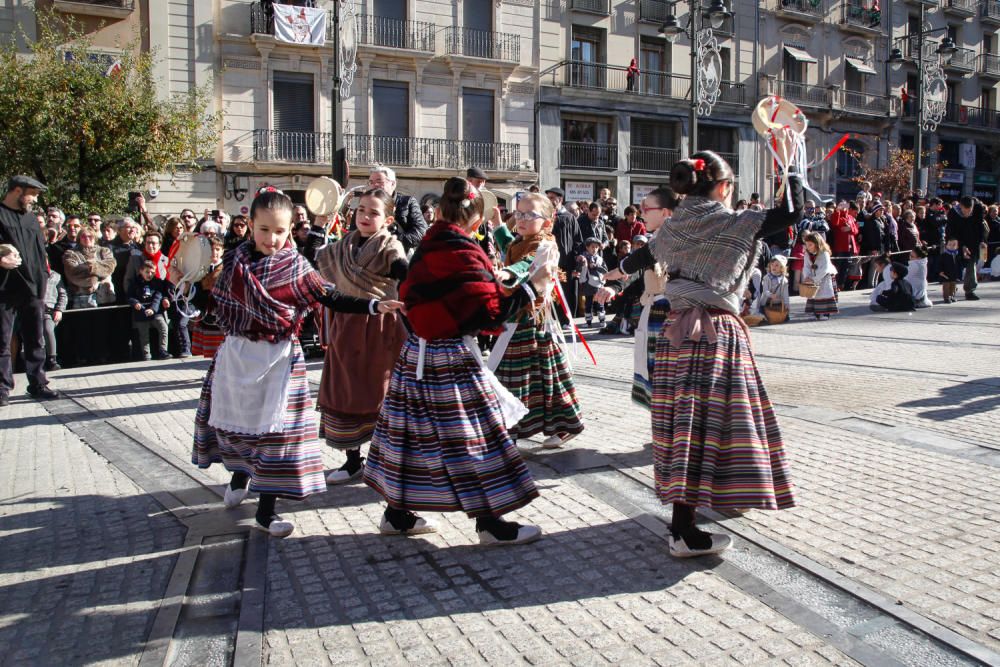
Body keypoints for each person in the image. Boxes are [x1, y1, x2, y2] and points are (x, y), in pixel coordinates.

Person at [193, 187, 402, 538]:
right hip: (238, 358)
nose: (271, 238)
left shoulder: (295, 266)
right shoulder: (232, 262)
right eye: (264, 229)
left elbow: (329, 295)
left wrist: (371, 306)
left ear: (290, 228)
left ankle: (266, 511)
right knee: (239, 427)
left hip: (278, 359)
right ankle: (241, 475)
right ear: (251, 225)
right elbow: (214, 307)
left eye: (280, 231)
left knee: (278, 435)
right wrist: (192, 286)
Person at [363, 177, 544, 545]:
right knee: (475, 437)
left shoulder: (430, 244)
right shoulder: (462, 250)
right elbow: (489, 311)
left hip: (416, 352)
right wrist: (532, 287)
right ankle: (490, 524)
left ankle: (396, 514)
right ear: (475, 220)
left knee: (410, 437)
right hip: (447, 355)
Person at [651, 149, 800, 557]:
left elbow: (638, 258)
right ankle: (683, 531)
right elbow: (793, 211)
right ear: (723, 187)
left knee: (683, 427)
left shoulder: (669, 229)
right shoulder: (737, 223)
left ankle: (701, 510)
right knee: (716, 424)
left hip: (673, 334)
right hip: (715, 333)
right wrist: (791, 161)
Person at [315, 188, 408, 485]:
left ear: (388, 219)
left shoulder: (390, 245)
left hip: (382, 329)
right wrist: (318, 227)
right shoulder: (343, 246)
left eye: (374, 212)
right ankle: (353, 460)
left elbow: (402, 269)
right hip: (347, 325)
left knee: (382, 394)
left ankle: (390, 459)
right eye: (361, 210)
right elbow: (314, 260)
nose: (366, 216)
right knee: (346, 391)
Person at [489, 193, 585, 449]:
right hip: (518, 318)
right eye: (518, 213)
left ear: (547, 221)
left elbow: (526, 264)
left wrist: (507, 272)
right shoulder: (522, 241)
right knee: (539, 376)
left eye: (530, 215)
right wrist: (499, 224)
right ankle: (515, 427)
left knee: (534, 377)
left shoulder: (546, 245)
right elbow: (510, 246)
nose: (521, 219)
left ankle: (517, 429)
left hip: (531, 320)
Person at [596, 186, 679, 408]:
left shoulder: (676, 240)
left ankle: (672, 427)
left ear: (665, 212)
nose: (641, 212)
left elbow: (635, 267)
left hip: (674, 313)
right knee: (657, 371)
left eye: (646, 207)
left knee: (669, 373)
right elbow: (636, 270)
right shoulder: (657, 239)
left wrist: (618, 279)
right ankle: (665, 425)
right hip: (655, 309)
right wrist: (615, 285)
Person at [544, 187, 583, 323]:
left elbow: (578, 241)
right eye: (548, 197)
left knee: (565, 293)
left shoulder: (569, 218)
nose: (549, 200)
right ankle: (549, 320)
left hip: (565, 264)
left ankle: (564, 320)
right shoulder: (545, 217)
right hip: (548, 263)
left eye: (552, 197)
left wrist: (576, 262)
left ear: (560, 199)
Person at [367, 166, 428, 253]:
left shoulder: (407, 202)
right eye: (371, 182)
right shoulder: (365, 204)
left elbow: (421, 232)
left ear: (393, 184)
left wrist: (390, 241)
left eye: (379, 181)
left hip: (399, 257)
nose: (374, 185)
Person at [62, 226, 116, 309]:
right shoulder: (70, 253)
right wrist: (94, 278)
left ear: (95, 238)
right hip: (80, 298)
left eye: (90, 236)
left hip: (105, 296)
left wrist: (92, 267)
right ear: (79, 239)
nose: (87, 238)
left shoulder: (104, 251)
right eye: (83, 236)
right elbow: (72, 272)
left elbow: (109, 267)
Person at [190, 237, 226, 358]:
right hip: (204, 310)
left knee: (223, 348)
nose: (214, 252)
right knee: (210, 351)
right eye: (211, 249)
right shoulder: (201, 268)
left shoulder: (226, 268)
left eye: (217, 249)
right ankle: (211, 372)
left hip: (221, 312)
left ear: (222, 251)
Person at [945, 195, 986, 300]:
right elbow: (951, 232)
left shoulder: (978, 209)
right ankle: (950, 291)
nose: (967, 214)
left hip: (973, 241)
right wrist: (961, 246)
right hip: (956, 240)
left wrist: (982, 241)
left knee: (971, 266)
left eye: (969, 211)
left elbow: (980, 227)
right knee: (952, 266)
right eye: (965, 211)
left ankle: (969, 290)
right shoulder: (953, 213)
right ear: (960, 206)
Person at [128, 260, 169, 360]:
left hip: (155, 312)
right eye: (147, 272)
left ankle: (163, 351)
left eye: (152, 272)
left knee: (163, 328)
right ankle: (146, 355)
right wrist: (136, 304)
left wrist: (153, 309)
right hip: (141, 312)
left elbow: (158, 296)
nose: (150, 274)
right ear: (141, 271)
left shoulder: (157, 282)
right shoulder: (134, 282)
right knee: (144, 335)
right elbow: (130, 296)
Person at [801, 231, 838, 320]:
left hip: (825, 276)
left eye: (810, 245)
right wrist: (807, 276)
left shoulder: (824, 254)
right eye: (807, 244)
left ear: (817, 244)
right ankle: (815, 312)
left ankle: (826, 313)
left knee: (825, 293)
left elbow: (824, 269)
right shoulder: (807, 254)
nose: (808, 247)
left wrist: (814, 279)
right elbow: (806, 266)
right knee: (813, 294)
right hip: (813, 276)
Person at [576, 237, 607, 327]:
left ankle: (602, 320)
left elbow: (605, 270)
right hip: (587, 283)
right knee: (588, 303)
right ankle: (588, 322)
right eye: (592, 247)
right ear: (587, 247)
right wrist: (581, 264)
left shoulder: (600, 259)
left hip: (598, 283)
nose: (594, 249)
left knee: (600, 302)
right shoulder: (583, 258)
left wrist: (596, 266)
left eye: (596, 247)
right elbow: (578, 269)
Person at [42, 264, 67, 370]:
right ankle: (38, 360)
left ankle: (52, 359)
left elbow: (63, 295)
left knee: (48, 330)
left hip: (49, 311)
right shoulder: (31, 274)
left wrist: (59, 310)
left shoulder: (55, 275)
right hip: (34, 310)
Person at [752, 255, 790, 321]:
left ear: (782, 268)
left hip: (778, 303)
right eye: (772, 265)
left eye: (776, 265)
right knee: (763, 317)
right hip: (766, 302)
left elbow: (785, 294)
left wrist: (787, 304)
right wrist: (770, 295)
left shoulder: (784, 280)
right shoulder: (766, 278)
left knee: (783, 317)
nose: (774, 267)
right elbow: (765, 290)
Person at [938, 238, 962, 303]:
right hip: (945, 274)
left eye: (954, 245)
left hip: (954, 274)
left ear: (957, 246)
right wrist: (940, 271)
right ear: (946, 246)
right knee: (946, 287)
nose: (951, 246)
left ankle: (952, 296)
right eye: (950, 245)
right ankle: (946, 297)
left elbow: (959, 265)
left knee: (953, 286)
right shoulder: (943, 255)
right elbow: (940, 264)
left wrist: (959, 274)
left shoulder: (957, 255)